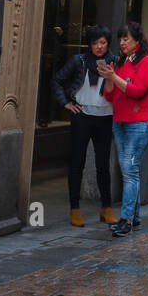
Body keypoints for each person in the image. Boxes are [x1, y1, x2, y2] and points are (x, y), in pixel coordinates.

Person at [52, 24, 119, 227]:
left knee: (103, 165)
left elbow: (123, 86)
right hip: (82, 116)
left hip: (105, 117)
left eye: (102, 42)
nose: (99, 47)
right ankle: (74, 208)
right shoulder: (78, 61)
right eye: (95, 43)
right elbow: (56, 80)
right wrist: (66, 103)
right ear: (89, 44)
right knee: (77, 162)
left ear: (108, 44)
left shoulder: (115, 62)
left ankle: (106, 208)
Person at [98, 21, 148, 237]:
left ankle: (125, 220)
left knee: (129, 170)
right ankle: (135, 216)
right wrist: (108, 79)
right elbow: (110, 96)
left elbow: (137, 91)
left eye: (126, 39)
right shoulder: (122, 63)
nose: (122, 43)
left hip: (140, 124)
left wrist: (114, 77)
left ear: (137, 41)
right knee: (130, 170)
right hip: (120, 122)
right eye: (120, 39)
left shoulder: (147, 62)